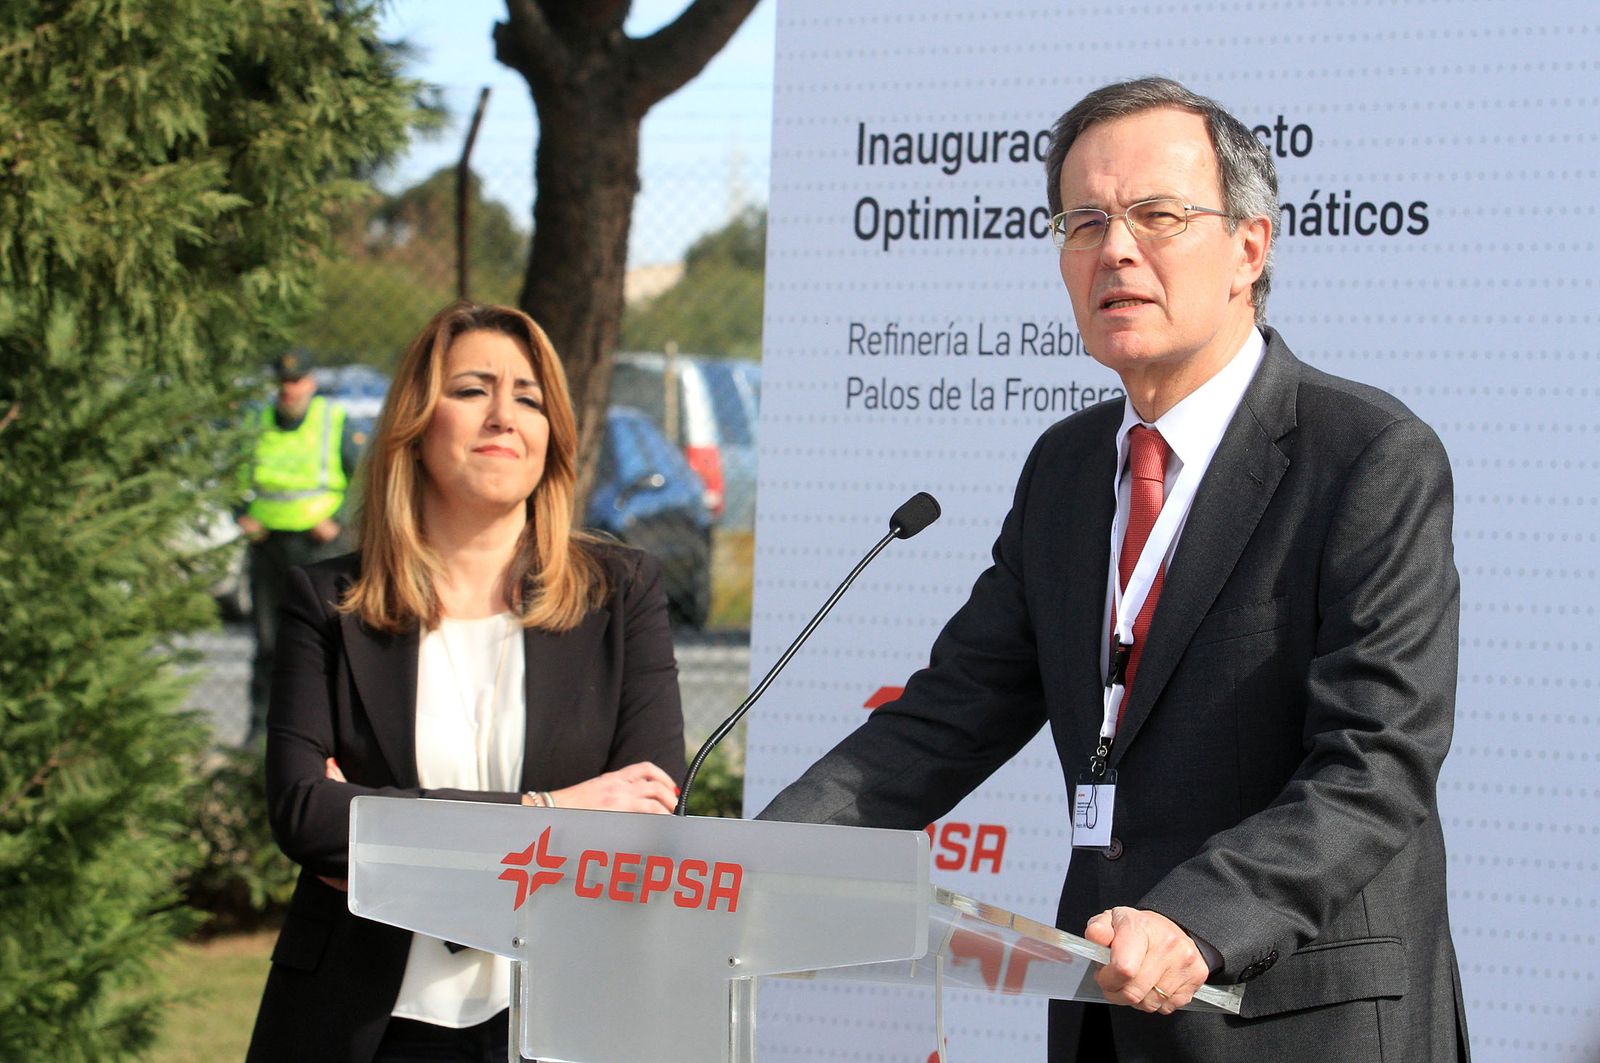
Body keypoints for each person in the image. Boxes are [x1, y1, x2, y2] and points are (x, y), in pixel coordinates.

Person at [758, 78, 1468, 1062]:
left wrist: (1200, 918)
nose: (1115, 248)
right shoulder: (1066, 466)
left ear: (1249, 250)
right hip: (1105, 1008)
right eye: (1084, 220)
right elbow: (947, 715)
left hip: (1296, 1020)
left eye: (1157, 215)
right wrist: (754, 862)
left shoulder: (1365, 456)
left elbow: (1375, 759)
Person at [245, 302, 687, 1063]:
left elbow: (645, 815)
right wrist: (547, 810)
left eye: (528, 395)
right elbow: (306, 814)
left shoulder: (622, 594)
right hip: (364, 1020)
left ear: (552, 437)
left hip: (561, 1019)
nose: (503, 415)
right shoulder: (328, 602)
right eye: (472, 389)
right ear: (414, 426)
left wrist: (382, 824)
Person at [238, 348, 361, 745]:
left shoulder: (333, 421)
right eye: (283, 382)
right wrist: (241, 512)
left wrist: (338, 521)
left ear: (310, 382)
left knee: (325, 644)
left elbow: (364, 477)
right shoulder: (256, 421)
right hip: (269, 546)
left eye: (297, 381)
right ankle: (261, 737)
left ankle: (330, 738)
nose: (289, 389)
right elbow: (234, 474)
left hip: (319, 550)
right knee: (269, 644)